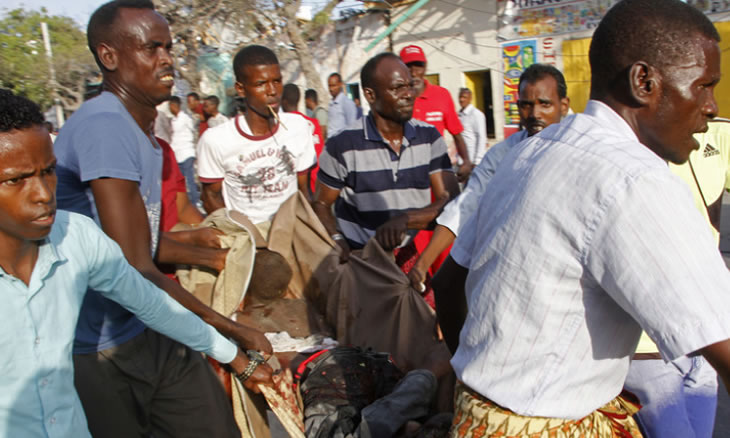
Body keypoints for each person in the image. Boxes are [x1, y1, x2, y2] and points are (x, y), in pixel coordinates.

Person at [433, 0, 730, 436]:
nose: (710, 105)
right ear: (643, 82)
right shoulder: (635, 179)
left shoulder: (528, 153)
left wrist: (480, 390)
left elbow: (447, 282)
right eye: (703, 85)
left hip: (477, 417)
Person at [53, 2, 272, 436]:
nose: (167, 58)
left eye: (169, 47)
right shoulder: (105, 125)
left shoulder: (140, 130)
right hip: (97, 346)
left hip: (148, 323)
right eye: (151, 48)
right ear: (109, 57)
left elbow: (144, 239)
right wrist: (232, 335)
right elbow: (133, 266)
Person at [0, 89, 263, 437]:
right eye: (17, 180)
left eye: (48, 172)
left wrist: (233, 355)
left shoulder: (76, 236)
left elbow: (152, 304)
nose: (44, 194)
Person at [408, 64, 570, 290]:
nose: (535, 114)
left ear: (563, 106)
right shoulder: (503, 154)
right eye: (526, 105)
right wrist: (423, 264)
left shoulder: (583, 149)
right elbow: (466, 206)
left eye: (545, 104)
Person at [623, 118, 730, 438]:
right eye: (700, 85)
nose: (709, 103)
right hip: (648, 348)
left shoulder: (719, 134)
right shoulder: (615, 144)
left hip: (706, 342)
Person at [313, 52, 458, 265]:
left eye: (409, 86)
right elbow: (321, 203)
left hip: (408, 257)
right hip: (360, 259)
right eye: (397, 88)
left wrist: (406, 219)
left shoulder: (428, 137)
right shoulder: (342, 144)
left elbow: (451, 201)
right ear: (370, 95)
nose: (409, 94)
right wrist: (337, 239)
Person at [198, 45, 316, 220]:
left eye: (277, 81)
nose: (272, 91)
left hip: (291, 229)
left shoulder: (298, 127)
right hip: (248, 236)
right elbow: (210, 197)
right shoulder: (216, 140)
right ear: (240, 89)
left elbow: (304, 190)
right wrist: (242, 234)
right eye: (261, 84)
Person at [399, 44, 472, 181]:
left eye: (418, 66)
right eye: (408, 67)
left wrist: (466, 161)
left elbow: (456, 133)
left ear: (425, 67)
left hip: (438, 170)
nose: (414, 72)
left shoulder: (442, 95)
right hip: (407, 174)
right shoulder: (396, 99)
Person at [281, 83, 324, 196]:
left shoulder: (284, 125)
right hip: (321, 181)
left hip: (304, 187)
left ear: (283, 100)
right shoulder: (312, 122)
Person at [169, 95, 200, 206]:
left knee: (189, 179)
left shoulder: (185, 118)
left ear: (173, 106)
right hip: (177, 154)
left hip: (186, 152)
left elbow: (193, 131)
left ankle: (195, 202)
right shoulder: (173, 120)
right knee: (180, 181)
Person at [456, 88, 488, 166]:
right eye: (460, 97)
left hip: (472, 160)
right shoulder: (459, 115)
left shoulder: (476, 115)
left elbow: (481, 137)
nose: (461, 99)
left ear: (470, 99)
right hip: (461, 159)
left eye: (464, 97)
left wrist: (477, 161)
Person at [326, 72, 359, 139]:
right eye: (329, 86)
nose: (331, 89)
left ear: (340, 84)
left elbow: (352, 126)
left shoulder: (346, 103)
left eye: (334, 85)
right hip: (332, 142)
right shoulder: (331, 103)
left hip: (342, 143)